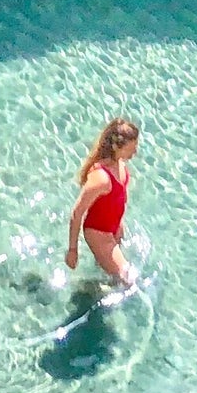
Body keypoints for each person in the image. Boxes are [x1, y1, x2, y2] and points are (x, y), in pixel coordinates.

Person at [65, 116, 140, 287]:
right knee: (127, 280)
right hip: (98, 233)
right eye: (131, 148)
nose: (134, 153)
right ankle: (88, 289)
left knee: (110, 274)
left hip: (113, 227)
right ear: (116, 147)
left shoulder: (119, 164)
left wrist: (119, 225)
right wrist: (72, 250)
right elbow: (77, 213)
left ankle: (98, 282)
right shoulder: (101, 178)